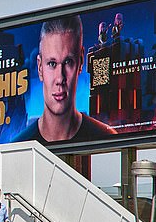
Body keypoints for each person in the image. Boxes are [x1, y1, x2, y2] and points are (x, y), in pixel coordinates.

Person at [13, 16, 116, 144]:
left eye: (68, 62)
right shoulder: (19, 147)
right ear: (40, 68)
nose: (60, 78)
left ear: (81, 61)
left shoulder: (105, 138)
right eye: (52, 63)